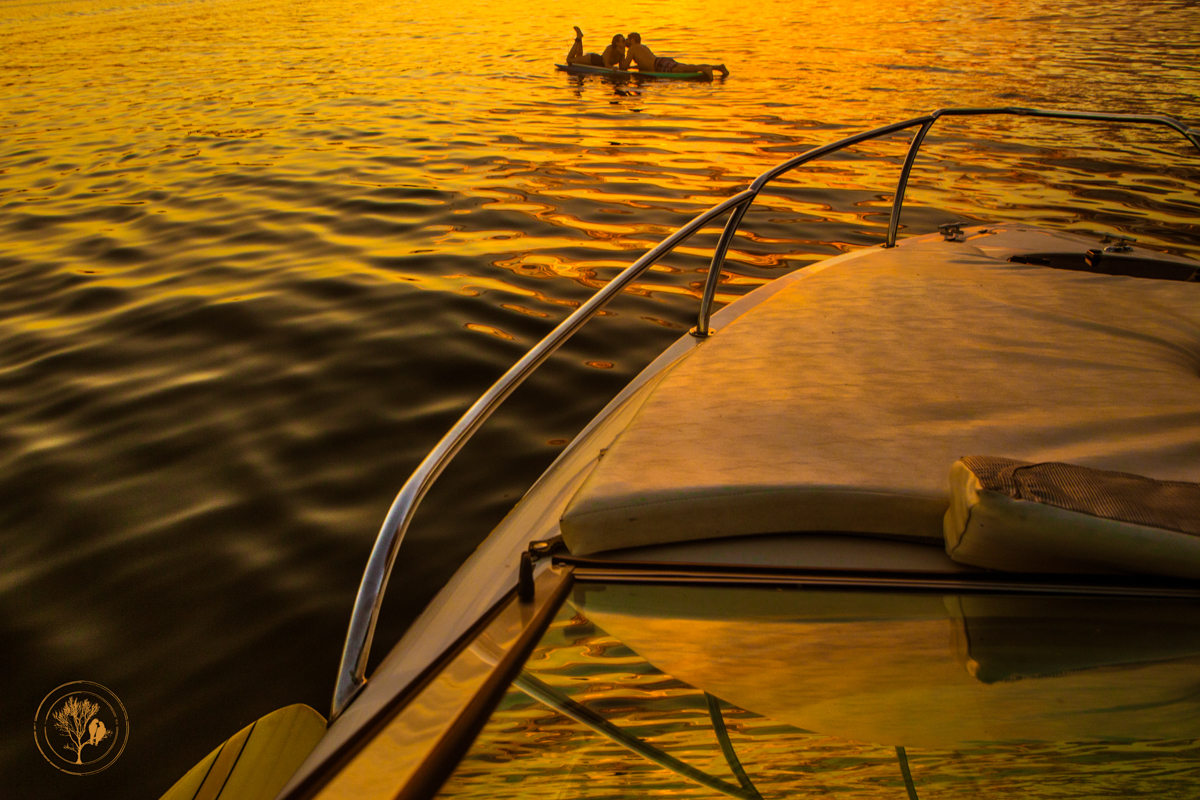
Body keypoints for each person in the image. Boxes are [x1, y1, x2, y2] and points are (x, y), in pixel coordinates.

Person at [620, 32, 728, 80]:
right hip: (660, 61)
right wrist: (632, 68)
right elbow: (644, 64)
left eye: (627, 40)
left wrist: (621, 52)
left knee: (683, 69)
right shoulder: (642, 47)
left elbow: (623, 67)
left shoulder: (632, 48)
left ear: (632, 40)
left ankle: (705, 69)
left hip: (659, 65)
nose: (626, 42)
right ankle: (718, 67)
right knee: (685, 67)